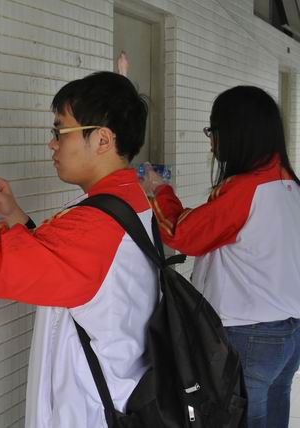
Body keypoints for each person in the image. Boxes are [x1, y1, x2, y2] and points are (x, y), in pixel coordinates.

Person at [0, 71, 155, 427]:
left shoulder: (96, 223)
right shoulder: (128, 201)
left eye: (60, 132)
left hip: (90, 414)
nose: (52, 145)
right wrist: (14, 216)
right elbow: (64, 268)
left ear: (102, 139)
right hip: (119, 396)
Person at [142, 85, 300, 428]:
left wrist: (158, 190)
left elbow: (183, 234)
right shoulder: (288, 183)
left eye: (213, 130)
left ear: (237, 132)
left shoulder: (246, 189)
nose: (211, 142)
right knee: (272, 415)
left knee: (240, 419)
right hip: (288, 332)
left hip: (250, 333)